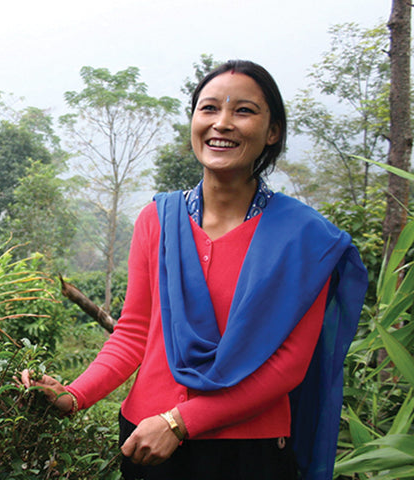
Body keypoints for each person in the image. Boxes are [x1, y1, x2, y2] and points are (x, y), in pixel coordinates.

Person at [22, 60, 368, 480]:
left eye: (243, 110)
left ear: (273, 131)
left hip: (248, 449)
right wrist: (74, 395)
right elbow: (134, 332)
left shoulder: (304, 238)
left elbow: (287, 366)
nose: (222, 123)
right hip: (145, 441)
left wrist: (179, 422)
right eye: (208, 109)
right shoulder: (158, 219)